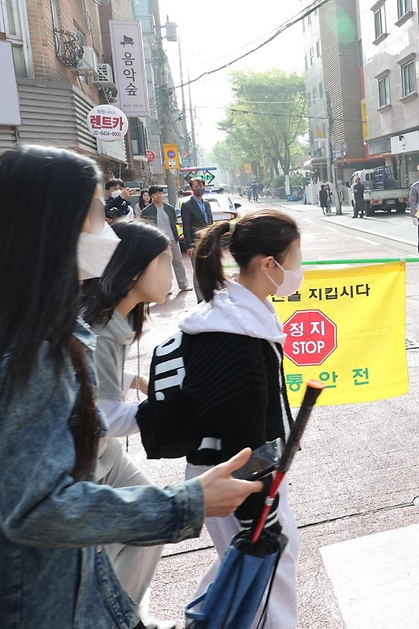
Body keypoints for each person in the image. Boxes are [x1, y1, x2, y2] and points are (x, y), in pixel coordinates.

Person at [0, 146, 263, 629]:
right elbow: (38, 507)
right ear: (53, 226)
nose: (109, 235)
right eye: (99, 215)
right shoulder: (38, 349)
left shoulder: (39, 330)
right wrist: (189, 501)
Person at [173, 209, 303, 628]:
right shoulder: (236, 333)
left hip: (233, 472)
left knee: (242, 561)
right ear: (270, 264)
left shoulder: (232, 312)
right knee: (269, 566)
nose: (298, 271)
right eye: (295, 260)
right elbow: (240, 428)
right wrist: (256, 504)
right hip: (237, 476)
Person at [80, 220, 175, 627]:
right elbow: (101, 417)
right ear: (135, 271)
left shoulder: (113, 320)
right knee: (153, 517)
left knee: (152, 515)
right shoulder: (100, 329)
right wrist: (166, 410)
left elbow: (94, 384)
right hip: (88, 459)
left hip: (102, 455)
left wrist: (133, 381)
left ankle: (125, 614)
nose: (173, 270)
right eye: (166, 261)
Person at [141, 185, 191, 293]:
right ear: (151, 196)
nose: (158, 195)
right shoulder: (146, 212)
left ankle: (183, 284)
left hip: (172, 239)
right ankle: (166, 288)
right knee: (163, 266)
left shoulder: (170, 208)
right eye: (155, 194)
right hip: (158, 243)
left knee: (178, 262)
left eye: (160, 193)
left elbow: (174, 223)